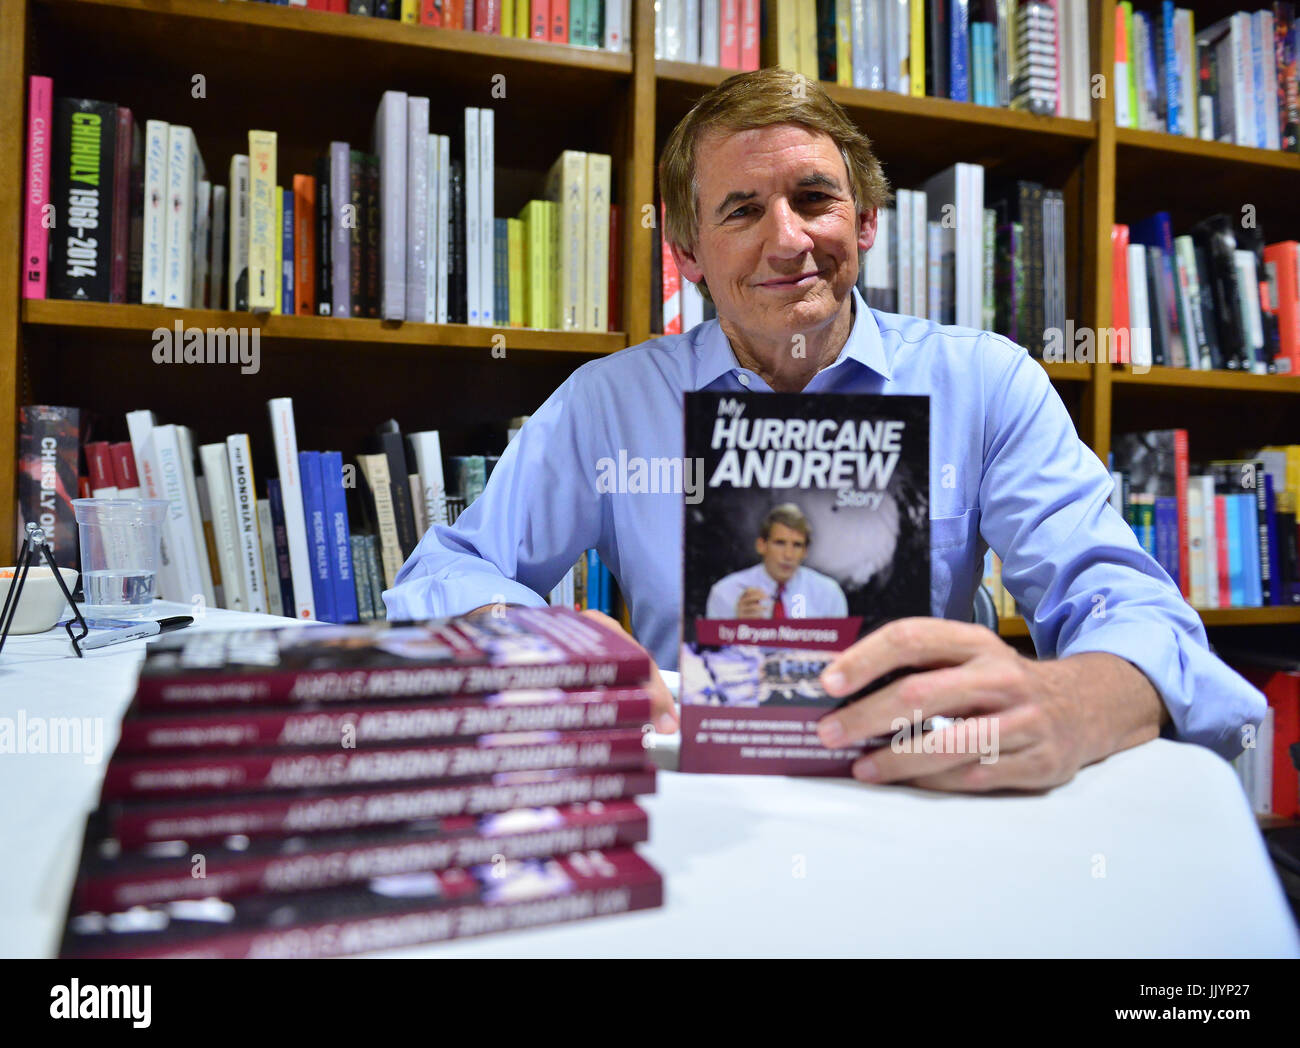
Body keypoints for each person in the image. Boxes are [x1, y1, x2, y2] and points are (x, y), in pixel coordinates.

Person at [385, 67, 1265, 791]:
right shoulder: (608, 403)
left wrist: (1073, 703)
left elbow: (1130, 603)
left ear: (868, 222)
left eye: (816, 198)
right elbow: (447, 573)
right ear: (686, 254)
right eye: (740, 210)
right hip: (692, 794)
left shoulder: (987, 382)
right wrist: (533, 633)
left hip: (925, 792)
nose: (788, 240)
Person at [704, 504, 848, 619]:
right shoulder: (725, 592)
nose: (788, 555)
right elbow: (712, 654)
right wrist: (737, 627)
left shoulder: (829, 594)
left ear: (805, 552)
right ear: (761, 546)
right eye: (780, 543)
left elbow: (841, 653)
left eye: (797, 545)